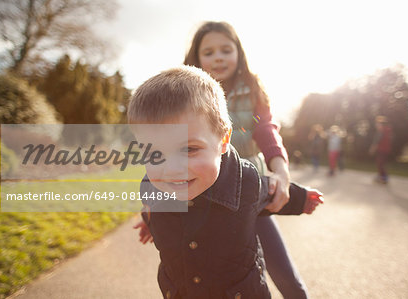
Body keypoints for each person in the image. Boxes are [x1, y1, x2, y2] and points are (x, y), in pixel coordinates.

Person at [128, 66, 323, 298]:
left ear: (223, 140)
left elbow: (269, 191)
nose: (172, 168)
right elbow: (152, 206)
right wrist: (148, 219)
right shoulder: (151, 185)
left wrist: (301, 199)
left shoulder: (244, 182)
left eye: (189, 149)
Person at [183, 21, 316, 298]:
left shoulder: (252, 87)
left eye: (225, 50)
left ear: (238, 53)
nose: (218, 57)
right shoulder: (187, 94)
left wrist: (281, 170)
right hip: (207, 197)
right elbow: (172, 148)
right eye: (208, 52)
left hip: (250, 193)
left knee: (287, 279)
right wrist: (153, 212)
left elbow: (266, 129)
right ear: (196, 59)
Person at [369, 116, 392, 184]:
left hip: (381, 149)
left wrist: (372, 149)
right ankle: (382, 176)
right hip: (386, 149)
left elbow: (377, 141)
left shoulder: (381, 131)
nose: (376, 125)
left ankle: (383, 177)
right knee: (381, 163)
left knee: (380, 163)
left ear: (380, 124)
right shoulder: (387, 130)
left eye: (377, 124)